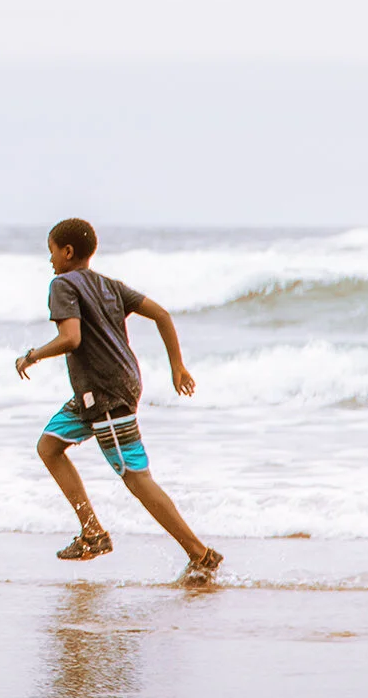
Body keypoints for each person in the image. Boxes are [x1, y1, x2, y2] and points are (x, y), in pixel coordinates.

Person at [15, 218, 222, 585]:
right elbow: (161, 314)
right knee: (49, 446)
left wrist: (32, 355)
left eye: (51, 251)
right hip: (107, 389)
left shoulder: (61, 284)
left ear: (66, 252)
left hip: (105, 395)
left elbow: (71, 338)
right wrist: (177, 366)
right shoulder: (109, 286)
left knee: (136, 477)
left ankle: (199, 553)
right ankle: (92, 531)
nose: (49, 261)